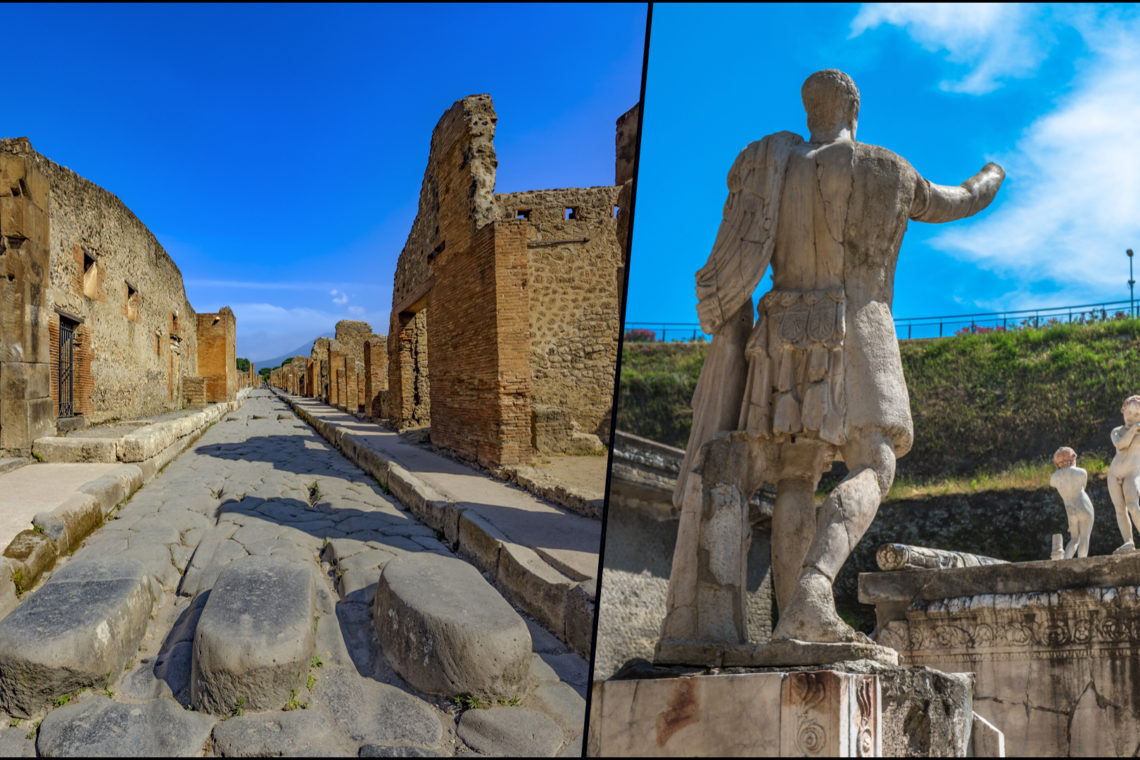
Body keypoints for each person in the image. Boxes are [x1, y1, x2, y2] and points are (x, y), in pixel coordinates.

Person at [657, 69, 1005, 660]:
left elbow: (736, 259)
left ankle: (794, 624)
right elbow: (962, 199)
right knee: (875, 463)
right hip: (858, 325)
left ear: (809, 110)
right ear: (853, 110)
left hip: (782, 328)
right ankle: (814, 594)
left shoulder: (773, 168)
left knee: (797, 475)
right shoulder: (886, 168)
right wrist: (993, 173)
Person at [1108, 396, 1140, 553]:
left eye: (1137, 414)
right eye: (1128, 412)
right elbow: (1121, 445)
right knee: (1120, 510)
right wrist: (1133, 429)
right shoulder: (1117, 431)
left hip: (1132, 473)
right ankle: (1128, 542)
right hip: (1114, 474)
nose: (1131, 416)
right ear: (1123, 411)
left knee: (1133, 506)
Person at [1050, 446, 1093, 559]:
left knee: (1074, 539)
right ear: (1073, 457)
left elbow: (1052, 483)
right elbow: (1084, 486)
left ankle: (1066, 562)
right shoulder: (1081, 472)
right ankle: (1082, 561)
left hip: (1069, 508)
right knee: (1084, 537)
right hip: (1083, 504)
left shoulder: (1054, 477)